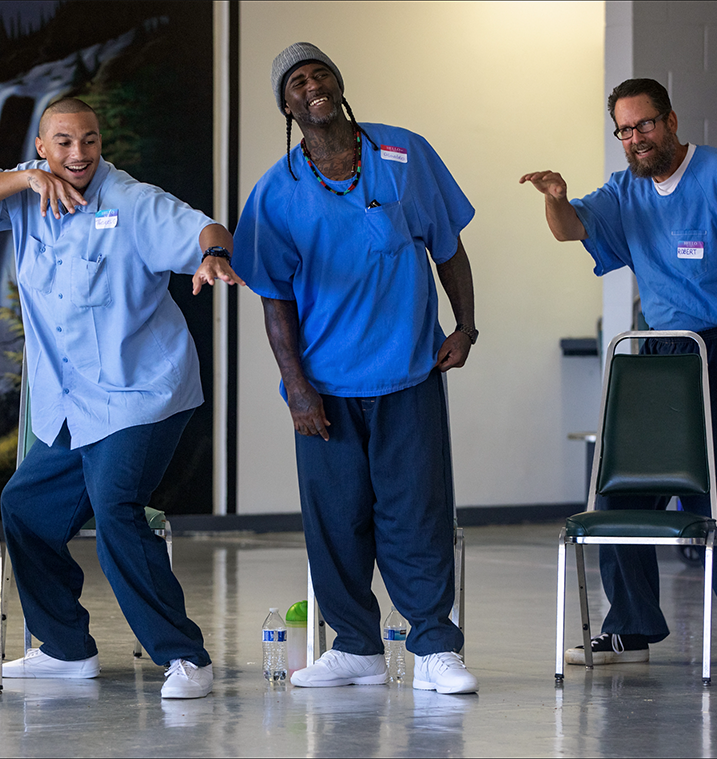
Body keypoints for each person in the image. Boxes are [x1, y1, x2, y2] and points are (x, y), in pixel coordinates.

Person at [0, 96, 244, 699]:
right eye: (65, 142)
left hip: (142, 395)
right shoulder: (23, 194)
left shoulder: (130, 202)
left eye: (90, 141)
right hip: (73, 403)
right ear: (42, 147)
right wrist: (24, 180)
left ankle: (186, 658)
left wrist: (214, 255)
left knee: (116, 510)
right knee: (25, 508)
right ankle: (66, 650)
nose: (79, 153)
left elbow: (204, 228)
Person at [520, 78, 717, 668]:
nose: (636, 138)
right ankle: (632, 626)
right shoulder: (624, 191)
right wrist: (554, 196)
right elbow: (570, 228)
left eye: (646, 124)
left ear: (671, 121)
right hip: (661, 358)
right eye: (625, 130)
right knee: (620, 494)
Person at [233, 42, 479, 695]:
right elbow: (275, 302)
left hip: (408, 373)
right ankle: (356, 646)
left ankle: (433, 647)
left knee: (417, 513)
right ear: (284, 105)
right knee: (336, 519)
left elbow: (448, 246)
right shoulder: (275, 192)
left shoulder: (405, 154)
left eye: (319, 73)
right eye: (296, 81)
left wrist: (465, 325)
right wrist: (297, 390)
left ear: (339, 84)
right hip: (326, 387)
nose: (310, 85)